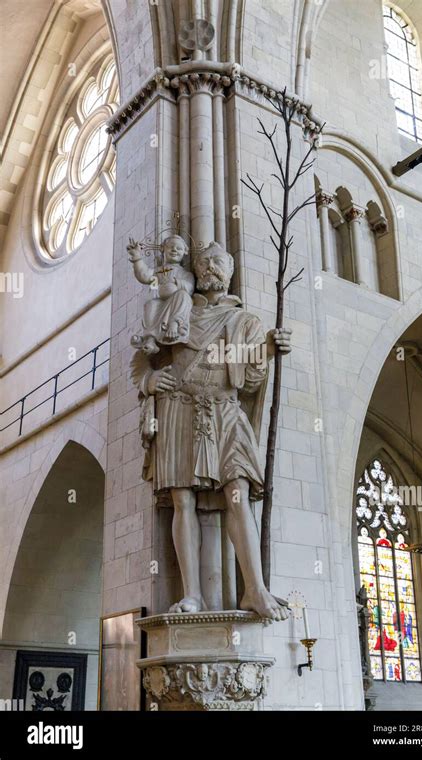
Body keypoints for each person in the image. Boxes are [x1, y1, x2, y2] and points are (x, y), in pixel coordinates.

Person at [134, 241, 292, 621]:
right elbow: (142, 354)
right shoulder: (178, 308)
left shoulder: (245, 321)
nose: (210, 268)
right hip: (177, 408)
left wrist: (266, 351)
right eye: (204, 263)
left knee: (237, 491)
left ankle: (254, 588)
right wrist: (151, 379)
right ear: (196, 270)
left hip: (224, 409)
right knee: (182, 498)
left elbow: (249, 381)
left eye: (218, 262)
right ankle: (193, 596)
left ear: (231, 269)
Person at [127, 234, 195, 344]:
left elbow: (190, 288)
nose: (174, 250)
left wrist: (175, 282)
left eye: (179, 248)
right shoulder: (158, 271)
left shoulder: (185, 274)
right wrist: (137, 258)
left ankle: (174, 324)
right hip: (161, 302)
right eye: (171, 247)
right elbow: (144, 275)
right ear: (163, 249)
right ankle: (150, 339)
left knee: (183, 295)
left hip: (176, 302)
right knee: (150, 305)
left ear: (185, 252)